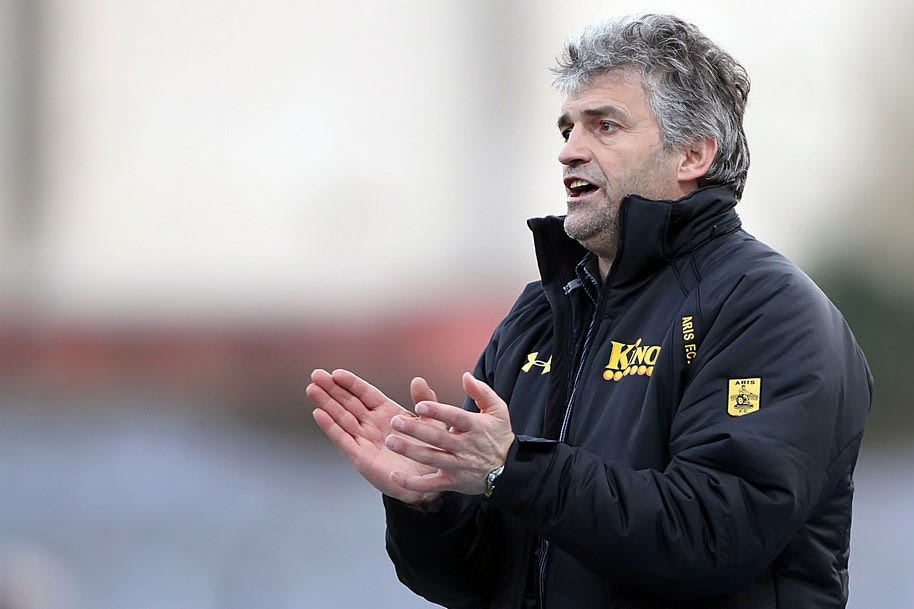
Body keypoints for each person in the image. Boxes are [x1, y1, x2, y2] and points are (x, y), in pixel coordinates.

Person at [307, 13, 872, 609]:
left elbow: (713, 536)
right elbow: (475, 582)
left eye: (605, 126)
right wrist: (427, 501)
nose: (569, 151)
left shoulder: (768, 311)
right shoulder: (541, 314)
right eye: (567, 127)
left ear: (692, 154)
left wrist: (514, 470)